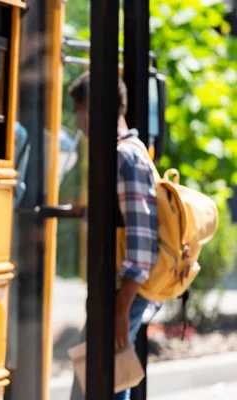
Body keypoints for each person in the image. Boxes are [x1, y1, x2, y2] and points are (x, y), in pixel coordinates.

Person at [68, 72, 158, 400]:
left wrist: (122, 306)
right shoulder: (125, 154)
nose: (79, 126)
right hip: (120, 289)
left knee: (103, 379)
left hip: (125, 291)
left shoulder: (125, 156)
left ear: (96, 110)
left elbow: (142, 235)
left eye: (80, 114)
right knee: (102, 376)